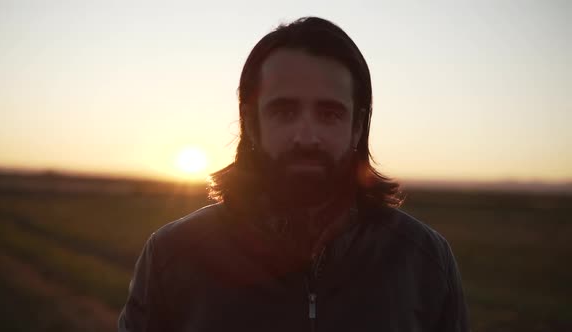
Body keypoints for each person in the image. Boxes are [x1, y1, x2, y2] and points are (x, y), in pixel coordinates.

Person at [118, 16, 470, 332]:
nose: (307, 136)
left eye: (329, 113)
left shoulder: (424, 261)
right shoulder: (172, 256)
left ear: (357, 126)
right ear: (251, 124)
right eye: (284, 111)